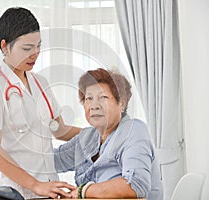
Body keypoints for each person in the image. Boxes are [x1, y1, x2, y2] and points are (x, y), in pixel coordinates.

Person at [0, 7, 80, 199]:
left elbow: (59, 129)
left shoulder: (41, 83)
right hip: (13, 192)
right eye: (27, 48)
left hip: (47, 190)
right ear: (5, 46)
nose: (35, 54)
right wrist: (35, 185)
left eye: (38, 46)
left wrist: (100, 134)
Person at [54, 68, 164, 199]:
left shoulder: (133, 130)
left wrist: (82, 192)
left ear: (121, 103)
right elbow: (53, 160)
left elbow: (136, 185)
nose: (94, 105)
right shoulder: (87, 137)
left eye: (103, 97)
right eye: (89, 98)